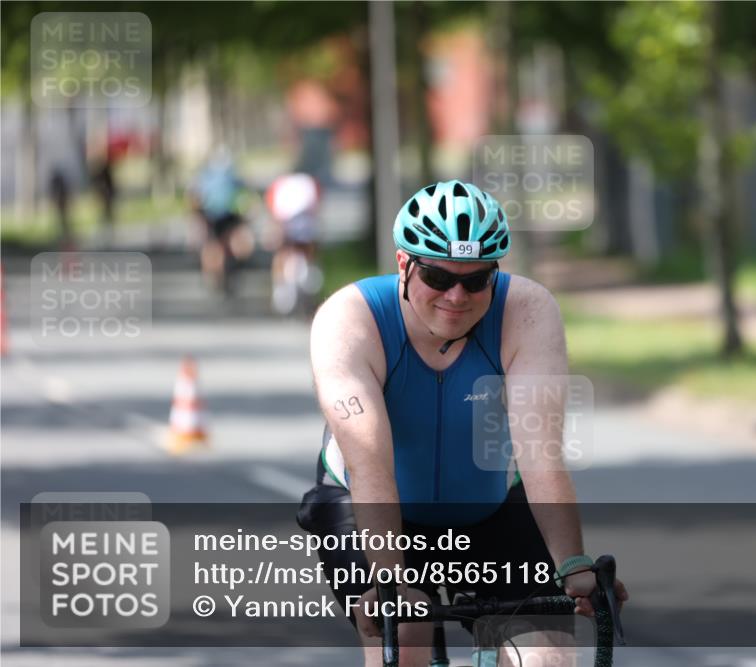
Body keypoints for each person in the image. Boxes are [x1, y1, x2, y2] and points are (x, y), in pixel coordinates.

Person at [304, 180, 627, 667]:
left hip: (491, 507)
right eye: (437, 276)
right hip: (367, 505)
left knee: (549, 659)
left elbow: (539, 449)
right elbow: (370, 464)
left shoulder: (527, 310)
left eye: (477, 280)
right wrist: (389, 577)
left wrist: (571, 562)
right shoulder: (350, 320)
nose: (457, 295)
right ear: (402, 263)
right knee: (405, 641)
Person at [188, 148, 248, 293]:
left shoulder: (205, 175)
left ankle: (213, 276)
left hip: (213, 214)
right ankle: (222, 273)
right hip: (224, 215)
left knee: (213, 246)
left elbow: (194, 197)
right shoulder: (229, 175)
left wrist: (196, 216)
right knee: (220, 245)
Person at [264, 172, 322, 314]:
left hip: (297, 227)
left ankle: (301, 286)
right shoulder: (297, 188)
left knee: (299, 251)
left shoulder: (302, 188)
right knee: (284, 251)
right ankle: (282, 285)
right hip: (289, 225)